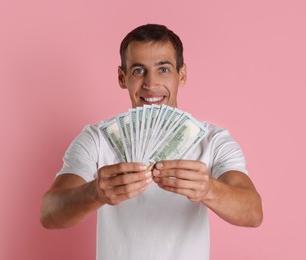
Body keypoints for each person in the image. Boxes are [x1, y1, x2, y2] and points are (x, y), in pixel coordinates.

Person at [41, 24, 263, 260]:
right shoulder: (96, 139)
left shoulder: (213, 140)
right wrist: (95, 192)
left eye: (164, 69)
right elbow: (49, 213)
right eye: (138, 71)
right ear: (122, 77)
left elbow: (253, 212)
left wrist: (208, 188)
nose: (151, 83)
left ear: (182, 74)